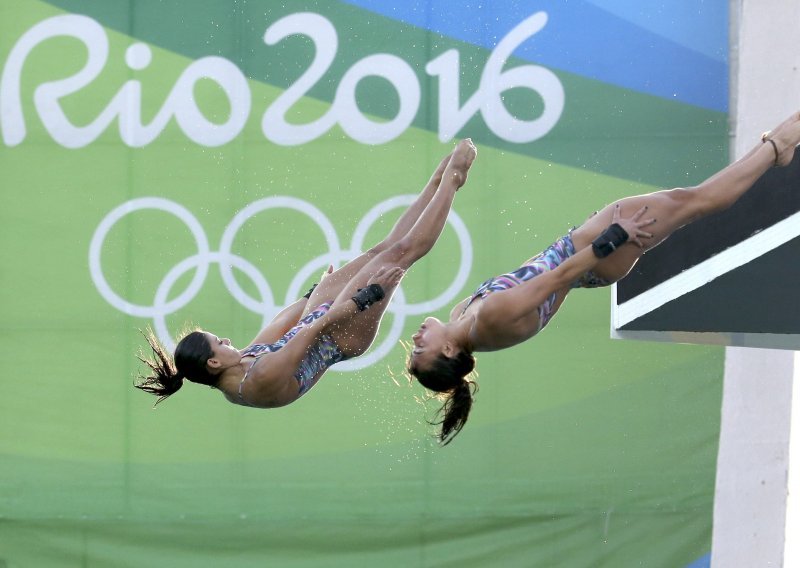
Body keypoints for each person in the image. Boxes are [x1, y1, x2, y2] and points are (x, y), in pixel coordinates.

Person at [408, 111, 800, 445]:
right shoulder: (489, 319)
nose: (415, 338)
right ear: (447, 352)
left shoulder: (464, 312)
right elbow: (560, 275)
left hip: (586, 247)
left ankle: (774, 148)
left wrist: (447, 178)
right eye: (420, 349)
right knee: (696, 203)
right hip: (596, 255)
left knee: (690, 200)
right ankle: (775, 149)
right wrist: (615, 236)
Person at [136, 139, 478, 408]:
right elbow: (318, 326)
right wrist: (365, 297)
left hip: (324, 314)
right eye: (219, 343)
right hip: (340, 332)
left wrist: (311, 293)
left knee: (383, 249)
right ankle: (453, 181)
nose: (227, 341)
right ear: (213, 362)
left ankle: (436, 181)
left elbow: (279, 327)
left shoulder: (238, 368)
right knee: (401, 256)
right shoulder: (259, 379)